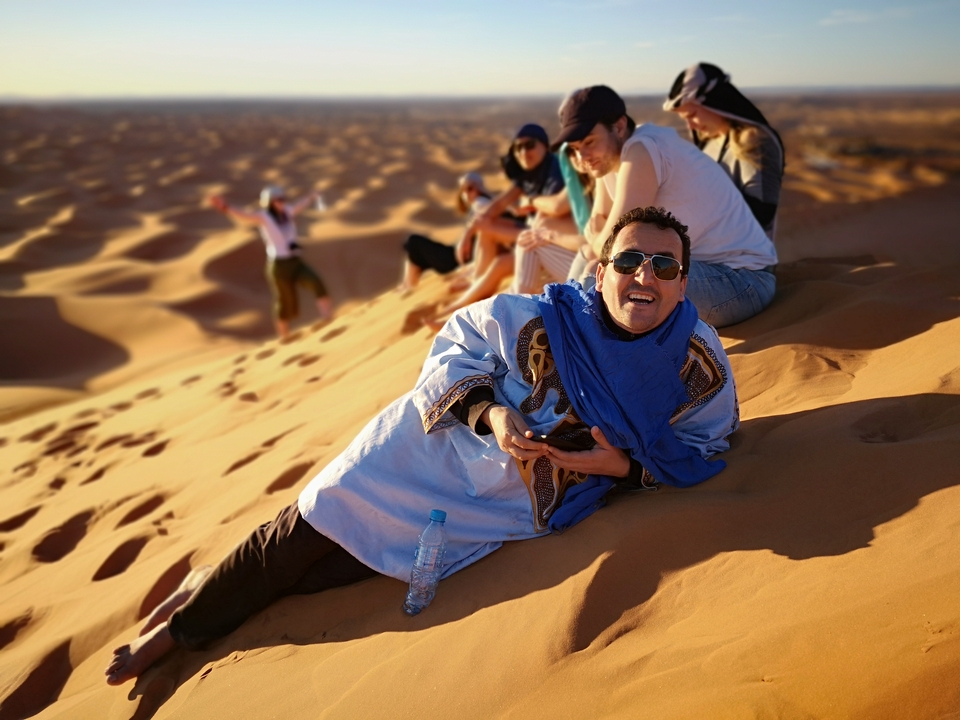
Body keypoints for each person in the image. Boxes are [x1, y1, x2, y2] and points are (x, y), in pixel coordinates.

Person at [104, 206, 739, 686]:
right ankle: (178, 632)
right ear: (600, 272)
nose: (643, 277)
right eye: (628, 262)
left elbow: (706, 449)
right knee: (307, 528)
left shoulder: (699, 367)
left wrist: (623, 469)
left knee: (336, 572)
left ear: (683, 284)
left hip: (504, 504)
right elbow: (456, 346)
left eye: (664, 266)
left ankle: (209, 583)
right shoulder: (534, 317)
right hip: (426, 450)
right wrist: (490, 413)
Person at [553, 85, 779, 328]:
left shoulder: (642, 149)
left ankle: (574, 347)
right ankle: (560, 331)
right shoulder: (608, 159)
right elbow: (597, 225)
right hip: (699, 272)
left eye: (589, 142)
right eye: (576, 149)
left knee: (603, 273)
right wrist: (598, 241)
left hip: (743, 281)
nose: (582, 157)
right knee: (592, 262)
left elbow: (608, 243)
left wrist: (598, 241)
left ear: (618, 127)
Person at [440, 123, 574, 313]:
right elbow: (499, 204)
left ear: (544, 145)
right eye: (518, 147)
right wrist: (468, 235)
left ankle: (463, 302)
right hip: (535, 239)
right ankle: (470, 292)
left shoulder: (555, 170)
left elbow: (555, 211)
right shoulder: (529, 175)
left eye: (529, 145)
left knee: (493, 245)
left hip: (558, 245)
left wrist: (531, 201)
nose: (523, 152)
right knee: (489, 232)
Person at [664, 62, 785, 240]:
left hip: (744, 261)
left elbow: (761, 214)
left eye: (692, 115)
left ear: (714, 102)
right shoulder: (710, 140)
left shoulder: (752, 141)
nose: (690, 125)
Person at [210, 186, 333, 340]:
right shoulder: (263, 217)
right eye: (278, 200)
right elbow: (244, 216)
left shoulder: (287, 212)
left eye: (283, 199)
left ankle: (328, 319)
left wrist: (312, 196)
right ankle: (284, 337)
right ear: (269, 203)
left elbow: (299, 206)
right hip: (279, 265)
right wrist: (225, 207)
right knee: (284, 301)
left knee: (316, 282)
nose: (282, 202)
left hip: (295, 260)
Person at [398, 172, 517, 292]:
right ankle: (407, 286)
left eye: (470, 188)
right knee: (416, 252)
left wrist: (467, 237)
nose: (466, 194)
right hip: (457, 256)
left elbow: (480, 220)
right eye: (463, 191)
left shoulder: (480, 203)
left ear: (479, 188)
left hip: (454, 261)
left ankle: (408, 287)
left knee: (413, 243)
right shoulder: (489, 202)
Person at [511, 143, 593, 294]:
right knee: (534, 234)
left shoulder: (596, 185)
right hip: (588, 262)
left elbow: (557, 207)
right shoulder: (584, 184)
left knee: (529, 240)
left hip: (599, 272)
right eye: (572, 151)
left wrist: (550, 236)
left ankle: (517, 310)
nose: (579, 156)